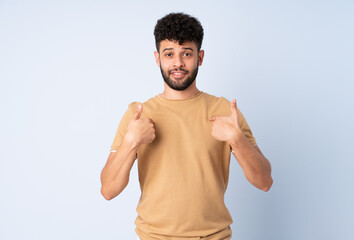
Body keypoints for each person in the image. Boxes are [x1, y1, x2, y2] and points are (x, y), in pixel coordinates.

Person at [100, 12, 273, 240]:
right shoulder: (138, 115)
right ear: (157, 58)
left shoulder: (225, 111)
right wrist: (131, 142)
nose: (178, 63)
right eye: (169, 54)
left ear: (200, 57)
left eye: (187, 54)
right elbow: (108, 190)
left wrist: (237, 140)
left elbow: (264, 182)